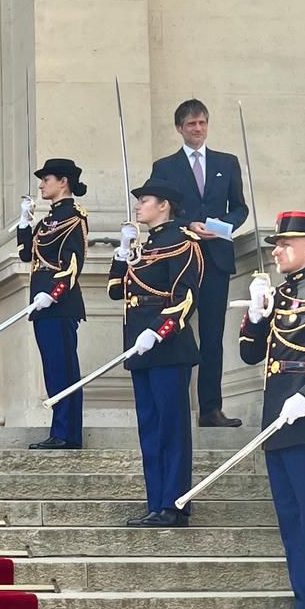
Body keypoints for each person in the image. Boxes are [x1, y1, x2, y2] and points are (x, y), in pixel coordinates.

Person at [240, 210, 305, 609]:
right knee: (291, 519)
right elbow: (251, 356)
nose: (277, 251)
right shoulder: (284, 294)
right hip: (280, 420)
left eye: (286, 244)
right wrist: (256, 315)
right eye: (276, 244)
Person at [108, 179, 203, 528]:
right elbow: (116, 292)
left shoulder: (182, 243)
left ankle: (174, 504)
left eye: (144, 200)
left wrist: (158, 331)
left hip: (167, 346)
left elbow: (186, 298)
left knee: (171, 428)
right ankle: (155, 502)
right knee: (149, 428)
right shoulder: (142, 247)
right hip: (139, 345)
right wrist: (121, 255)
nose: (138, 206)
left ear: (164, 205)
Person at [151, 99, 248, 428]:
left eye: (203, 123)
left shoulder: (227, 162)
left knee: (212, 336)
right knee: (174, 331)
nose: (198, 129)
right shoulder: (165, 167)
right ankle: (174, 407)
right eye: (191, 124)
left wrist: (223, 225)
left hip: (216, 260)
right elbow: (161, 209)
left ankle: (211, 409)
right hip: (180, 261)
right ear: (179, 128)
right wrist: (190, 224)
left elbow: (240, 208)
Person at [17, 158, 89, 450]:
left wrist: (53, 293)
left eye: (46, 179)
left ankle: (66, 432)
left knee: (63, 369)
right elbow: (26, 255)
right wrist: (25, 223)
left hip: (59, 304)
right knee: (54, 368)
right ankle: (63, 430)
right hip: (41, 304)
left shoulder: (74, 217)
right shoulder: (47, 221)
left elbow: (73, 264)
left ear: (63, 182)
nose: (41, 185)